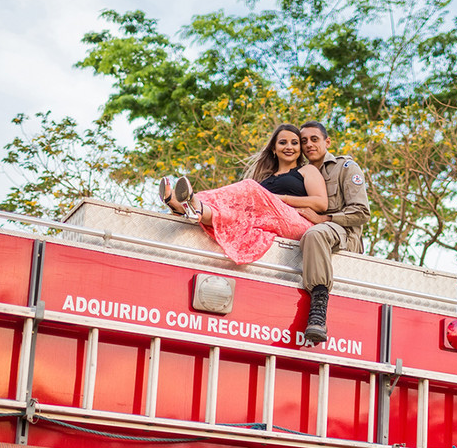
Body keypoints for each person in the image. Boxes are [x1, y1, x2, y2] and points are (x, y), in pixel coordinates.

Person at [159, 123, 327, 266]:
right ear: (274, 149)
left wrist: (281, 199)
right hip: (270, 221)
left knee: (249, 187)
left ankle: (194, 201)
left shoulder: (307, 170)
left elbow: (321, 203)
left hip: (299, 223)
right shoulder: (265, 179)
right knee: (233, 213)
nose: (289, 147)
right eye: (283, 142)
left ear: (300, 149)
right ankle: (193, 208)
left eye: (294, 143)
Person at [283, 121, 370, 344]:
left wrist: (325, 219)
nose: (309, 144)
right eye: (304, 141)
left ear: (327, 142)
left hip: (343, 234)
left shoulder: (346, 168)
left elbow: (361, 213)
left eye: (314, 139)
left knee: (316, 234)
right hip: (311, 233)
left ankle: (319, 310)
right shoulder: (300, 173)